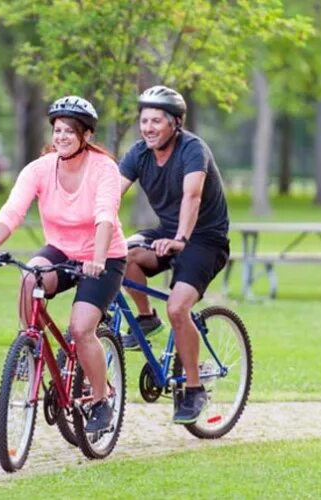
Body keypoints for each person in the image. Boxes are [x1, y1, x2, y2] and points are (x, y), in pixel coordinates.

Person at [0, 96, 127, 433]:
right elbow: (13, 211)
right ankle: (30, 346)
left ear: (85, 136)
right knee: (31, 278)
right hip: (60, 248)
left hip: (104, 256)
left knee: (82, 327)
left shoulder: (104, 169)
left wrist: (98, 259)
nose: (61, 137)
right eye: (58, 130)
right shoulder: (40, 168)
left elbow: (105, 216)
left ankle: (101, 400)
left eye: (70, 131)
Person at [118, 85, 230, 424]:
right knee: (122, 256)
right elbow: (111, 194)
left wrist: (181, 238)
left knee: (178, 307)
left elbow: (191, 197)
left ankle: (194, 389)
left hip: (205, 239)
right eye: (144, 121)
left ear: (175, 124)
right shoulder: (138, 154)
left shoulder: (193, 150)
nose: (148, 128)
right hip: (167, 231)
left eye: (156, 121)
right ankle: (146, 319)